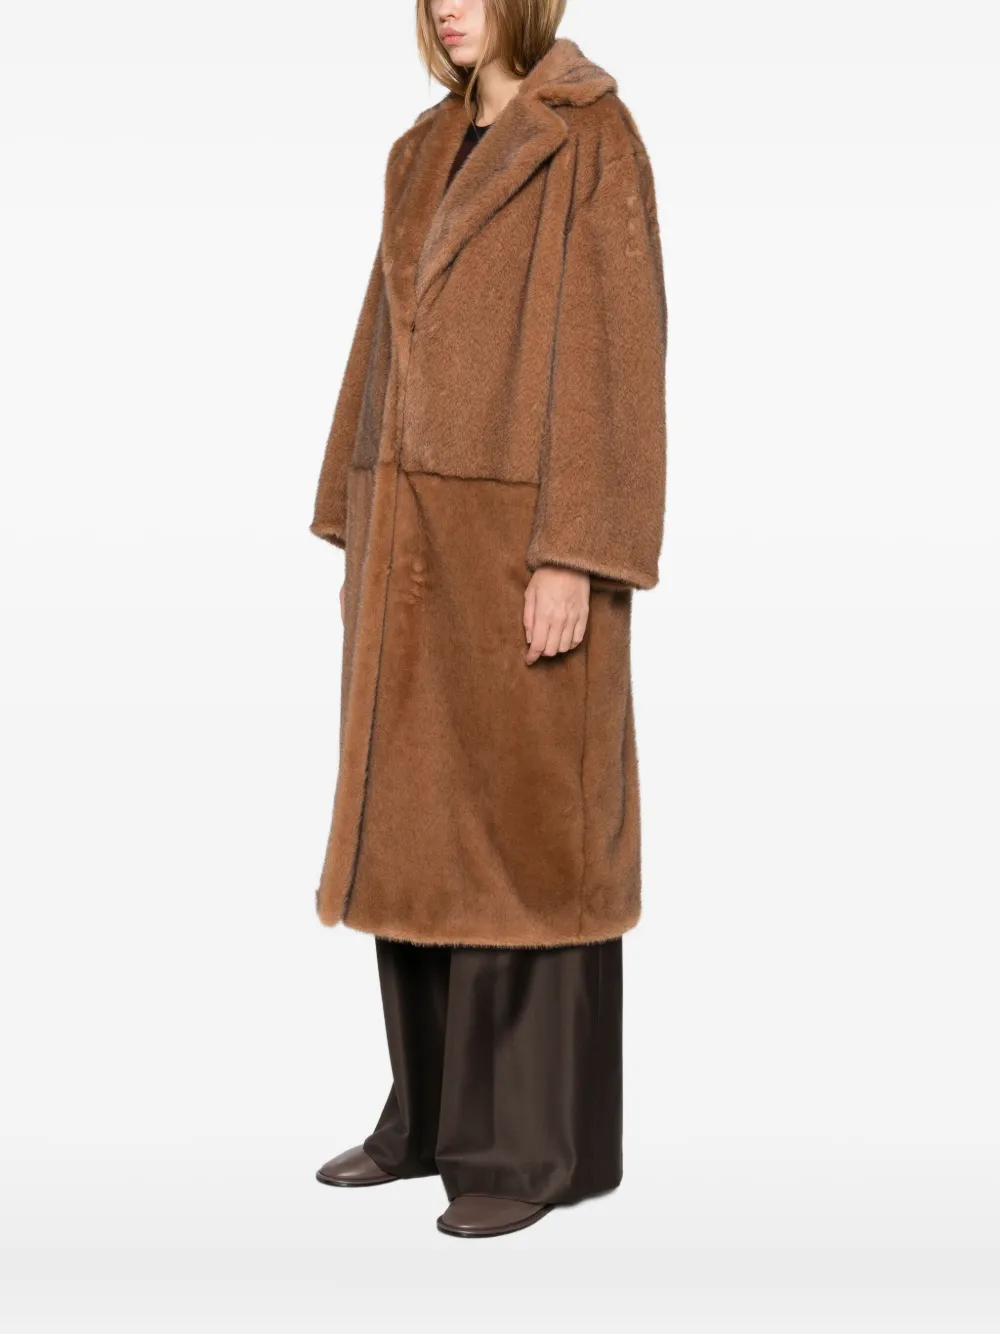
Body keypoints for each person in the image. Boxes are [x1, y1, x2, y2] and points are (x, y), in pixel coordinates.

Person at [308, 0, 666, 1239]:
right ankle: (428, 1116)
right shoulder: (419, 148)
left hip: (522, 541)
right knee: (412, 829)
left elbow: (619, 353)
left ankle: (526, 1145)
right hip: (410, 539)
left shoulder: (590, 136)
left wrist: (577, 550)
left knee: (524, 835)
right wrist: (349, 512)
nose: (446, 5)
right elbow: (379, 336)